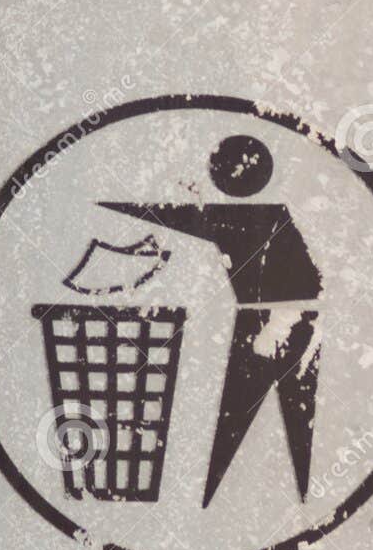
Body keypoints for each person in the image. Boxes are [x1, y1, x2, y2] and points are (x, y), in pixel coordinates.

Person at [101, 134, 323, 507]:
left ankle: (278, 492)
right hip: (277, 318)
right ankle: (243, 495)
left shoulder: (265, 226)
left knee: (268, 418)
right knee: (251, 419)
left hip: (283, 321)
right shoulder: (257, 225)